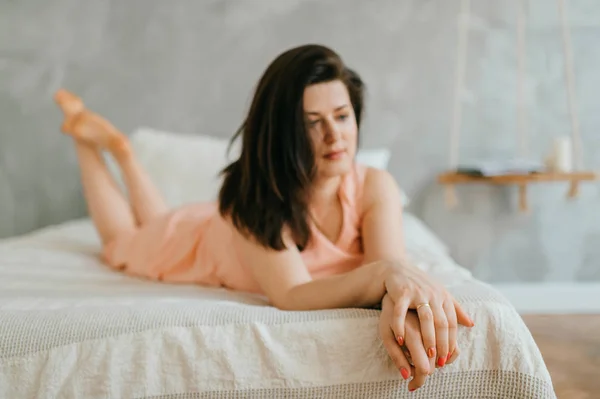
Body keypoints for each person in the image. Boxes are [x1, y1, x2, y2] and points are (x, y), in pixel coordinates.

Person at [53, 43, 474, 392]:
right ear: (284, 132)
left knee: (158, 219)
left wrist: (399, 298)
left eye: (342, 116)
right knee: (123, 242)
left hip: (211, 226)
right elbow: (292, 294)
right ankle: (87, 143)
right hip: (196, 243)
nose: (335, 136)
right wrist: (383, 276)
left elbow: (391, 272)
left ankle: (125, 155)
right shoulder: (250, 201)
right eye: (313, 123)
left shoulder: (373, 185)